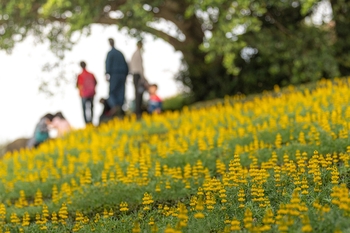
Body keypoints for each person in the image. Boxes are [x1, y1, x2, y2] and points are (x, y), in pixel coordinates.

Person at [105, 38, 129, 117]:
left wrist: (107, 74)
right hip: (122, 74)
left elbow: (108, 64)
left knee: (112, 92)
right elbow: (126, 65)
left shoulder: (110, 53)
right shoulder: (120, 53)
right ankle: (120, 107)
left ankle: (115, 106)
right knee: (121, 91)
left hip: (114, 74)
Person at [130, 40, 149, 119]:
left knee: (137, 93)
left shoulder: (134, 54)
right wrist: (143, 77)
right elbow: (140, 67)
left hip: (135, 75)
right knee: (139, 93)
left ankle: (138, 111)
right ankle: (138, 111)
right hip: (138, 75)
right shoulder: (138, 54)